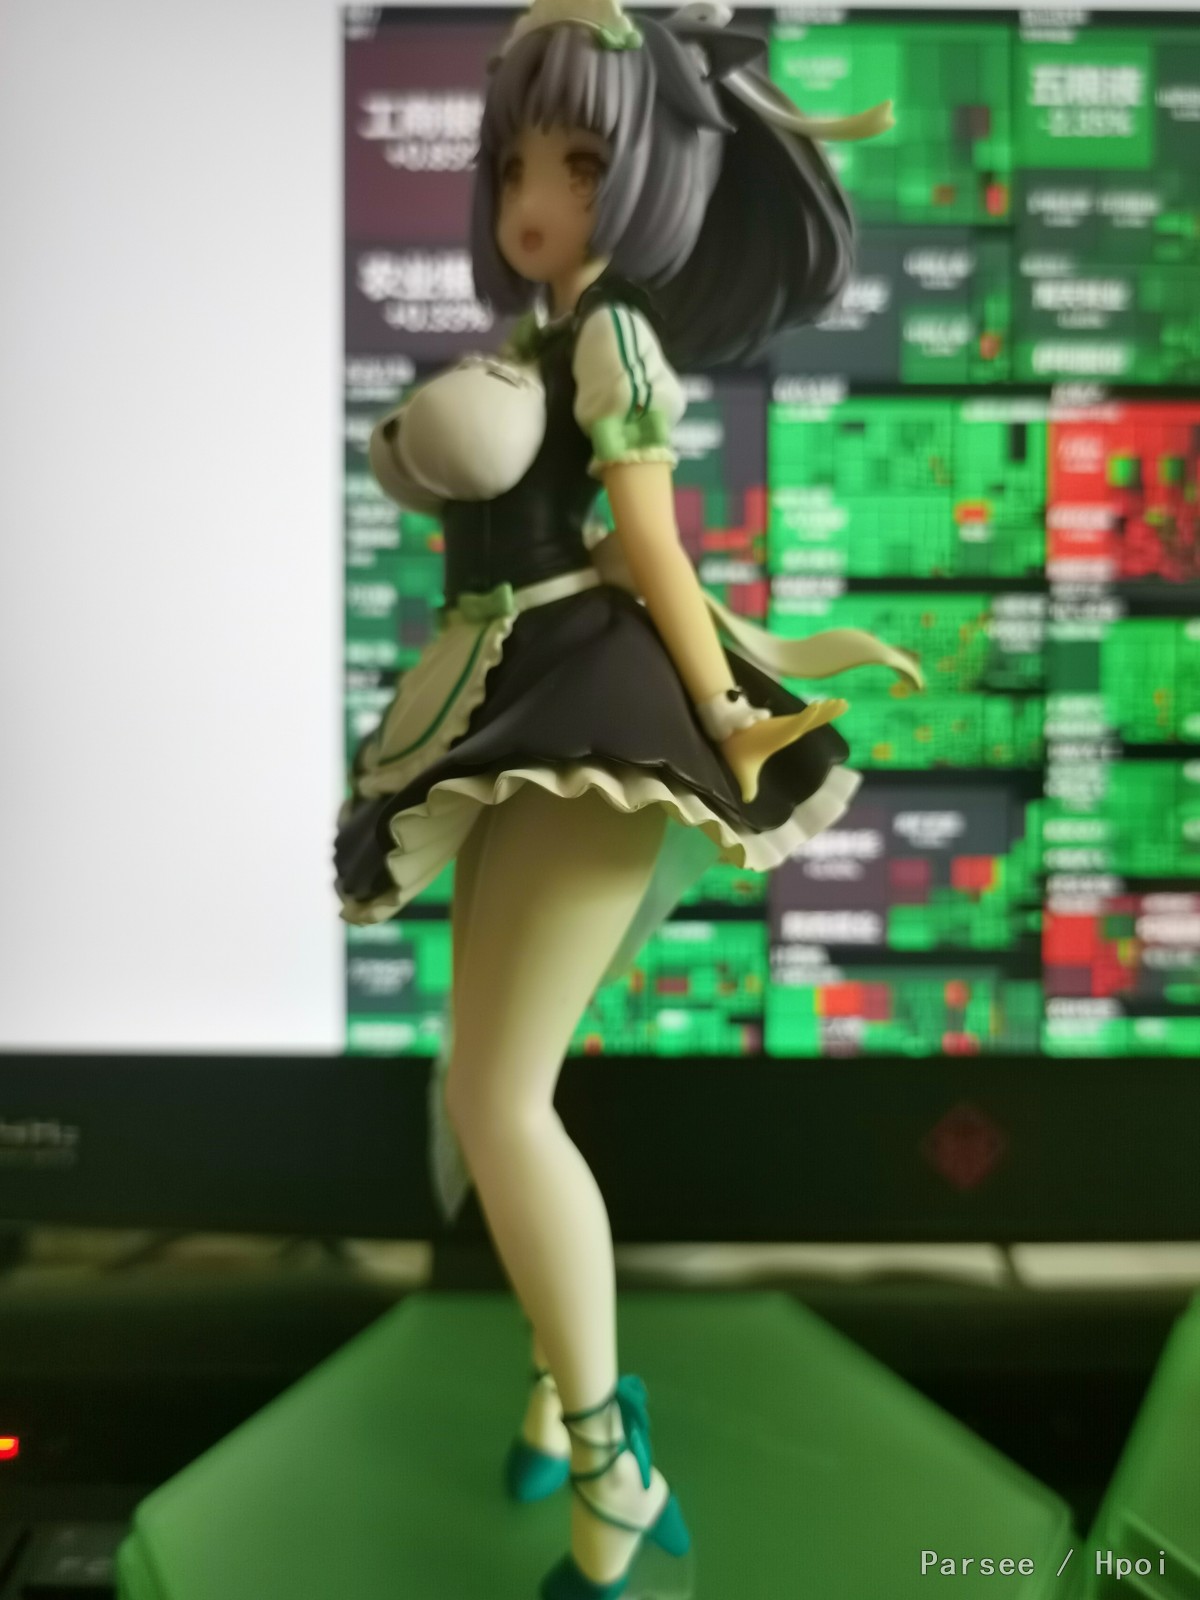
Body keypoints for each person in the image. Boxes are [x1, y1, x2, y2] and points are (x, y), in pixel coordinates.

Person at [333, 3, 922, 1594]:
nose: (535, 196)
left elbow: (646, 538)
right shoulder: (552, 331)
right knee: (489, 1080)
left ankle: (614, 1465)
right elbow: (604, 539)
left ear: (651, 170)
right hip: (514, 693)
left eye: (580, 163)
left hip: (576, 718)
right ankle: (559, 1383)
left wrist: (725, 701)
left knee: (496, 1099)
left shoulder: (615, 336)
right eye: (516, 161)